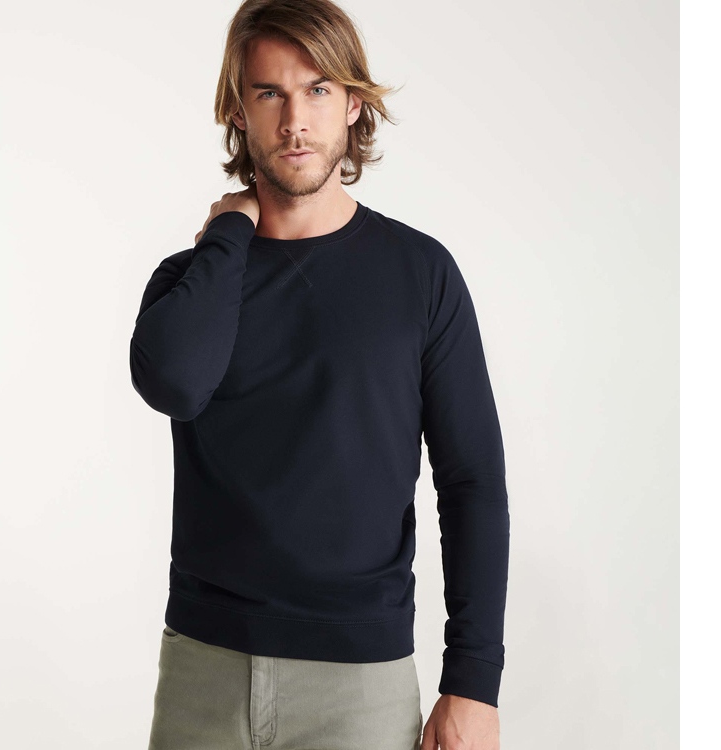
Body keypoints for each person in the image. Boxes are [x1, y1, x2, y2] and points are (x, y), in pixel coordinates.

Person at [130, 1, 509, 748]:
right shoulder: (195, 279)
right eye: (269, 93)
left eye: (318, 90)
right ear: (239, 110)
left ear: (354, 104)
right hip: (203, 669)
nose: (295, 121)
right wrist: (230, 230)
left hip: (358, 685)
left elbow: (471, 482)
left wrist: (473, 682)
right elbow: (173, 383)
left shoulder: (419, 274)